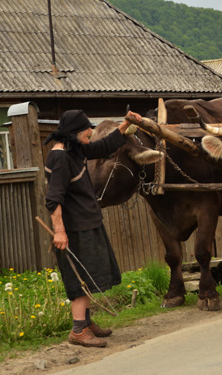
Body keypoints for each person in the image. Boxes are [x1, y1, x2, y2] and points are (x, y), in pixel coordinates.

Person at [44, 109, 141, 347]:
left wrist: (125, 123)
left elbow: (104, 147)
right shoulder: (60, 158)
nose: (91, 131)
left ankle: (86, 323)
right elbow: (54, 199)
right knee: (81, 280)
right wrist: (59, 231)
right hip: (75, 229)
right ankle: (78, 330)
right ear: (74, 132)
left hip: (88, 224)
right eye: (87, 128)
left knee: (89, 276)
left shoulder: (75, 149)